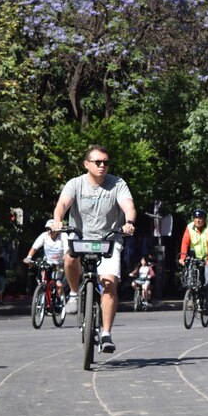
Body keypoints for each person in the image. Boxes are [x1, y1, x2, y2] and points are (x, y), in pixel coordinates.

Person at [52, 144, 136, 353]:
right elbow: (63, 204)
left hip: (109, 238)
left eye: (105, 162)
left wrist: (129, 221)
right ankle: (73, 293)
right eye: (97, 162)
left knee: (108, 283)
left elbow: (128, 205)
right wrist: (57, 220)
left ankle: (106, 333)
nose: (102, 166)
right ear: (86, 164)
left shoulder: (117, 184)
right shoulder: (75, 184)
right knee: (70, 258)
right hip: (80, 235)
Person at [178, 209, 208, 312]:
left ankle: (207, 306)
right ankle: (193, 299)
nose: (198, 220)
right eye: (196, 218)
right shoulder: (189, 227)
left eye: (200, 218)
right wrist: (182, 257)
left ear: (204, 219)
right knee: (191, 280)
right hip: (195, 258)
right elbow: (185, 243)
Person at [23, 219, 67, 303]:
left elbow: (66, 248)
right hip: (48, 262)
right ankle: (43, 294)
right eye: (47, 229)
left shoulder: (63, 236)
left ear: (57, 230)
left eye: (51, 229)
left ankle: (58, 301)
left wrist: (66, 255)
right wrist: (29, 257)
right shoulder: (44, 236)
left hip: (59, 264)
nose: (49, 231)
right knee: (43, 280)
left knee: (58, 284)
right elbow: (34, 248)